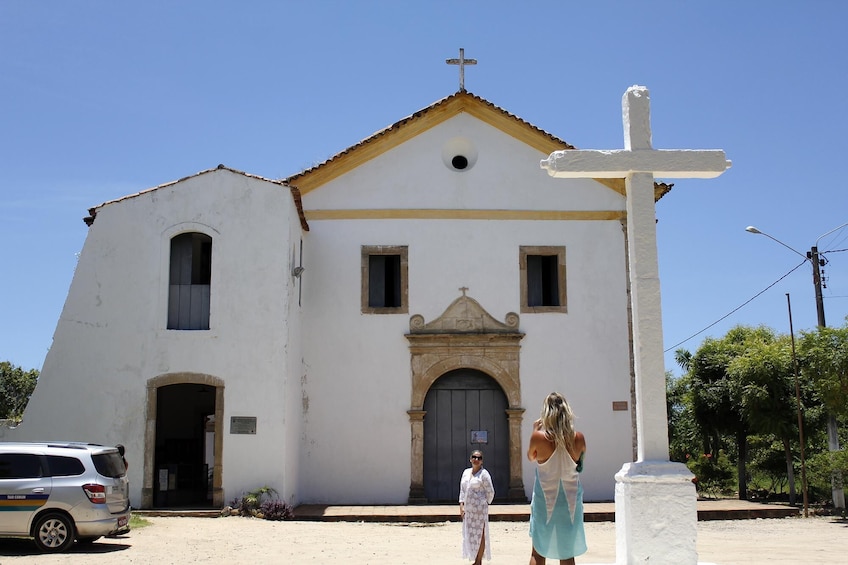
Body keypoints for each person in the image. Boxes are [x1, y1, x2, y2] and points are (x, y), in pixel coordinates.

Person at [527, 392, 587, 565]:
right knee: (567, 553)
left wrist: (534, 431)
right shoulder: (579, 438)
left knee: (538, 551)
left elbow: (531, 457)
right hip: (570, 499)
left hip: (545, 496)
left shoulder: (539, 437)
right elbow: (580, 464)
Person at [459, 449, 495, 564]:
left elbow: (490, 492)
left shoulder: (484, 474)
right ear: (470, 459)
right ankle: (474, 557)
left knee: (481, 534)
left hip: (479, 510)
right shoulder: (465, 472)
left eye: (479, 458)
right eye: (474, 457)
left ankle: (478, 560)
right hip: (468, 510)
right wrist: (461, 506)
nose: (476, 460)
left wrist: (483, 503)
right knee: (470, 533)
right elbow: (462, 490)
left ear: (482, 461)